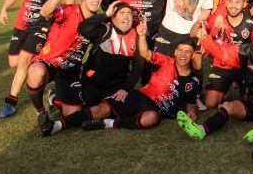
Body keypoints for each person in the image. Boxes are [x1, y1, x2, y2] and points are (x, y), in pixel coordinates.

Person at [43, 21, 201, 135]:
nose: (183, 55)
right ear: (175, 52)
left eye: (187, 52)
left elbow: (191, 103)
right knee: (98, 109)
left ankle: (108, 124)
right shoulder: (167, 61)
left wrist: (192, 113)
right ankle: (56, 125)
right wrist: (141, 35)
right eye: (180, 51)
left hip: (154, 110)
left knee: (151, 119)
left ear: (193, 54)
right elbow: (145, 53)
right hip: (141, 97)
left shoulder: (193, 81)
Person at [0, 0, 67, 118]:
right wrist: (4, 8)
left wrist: (68, 17)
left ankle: (10, 101)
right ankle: (47, 80)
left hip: (41, 23)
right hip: (22, 22)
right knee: (14, 62)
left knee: (24, 60)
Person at [26, 0, 102, 133]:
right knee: (36, 72)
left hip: (70, 70)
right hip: (49, 61)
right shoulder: (69, 10)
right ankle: (41, 111)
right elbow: (44, 12)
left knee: (73, 114)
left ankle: (54, 98)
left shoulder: (97, 22)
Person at [193, 0, 253, 108]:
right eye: (231, 2)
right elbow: (193, 33)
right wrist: (198, 27)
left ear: (244, 4)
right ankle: (223, 88)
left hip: (244, 66)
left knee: (252, 101)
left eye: (238, 2)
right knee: (210, 103)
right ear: (226, 3)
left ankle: (238, 86)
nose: (233, 6)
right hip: (221, 66)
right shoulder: (216, 20)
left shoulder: (252, 23)